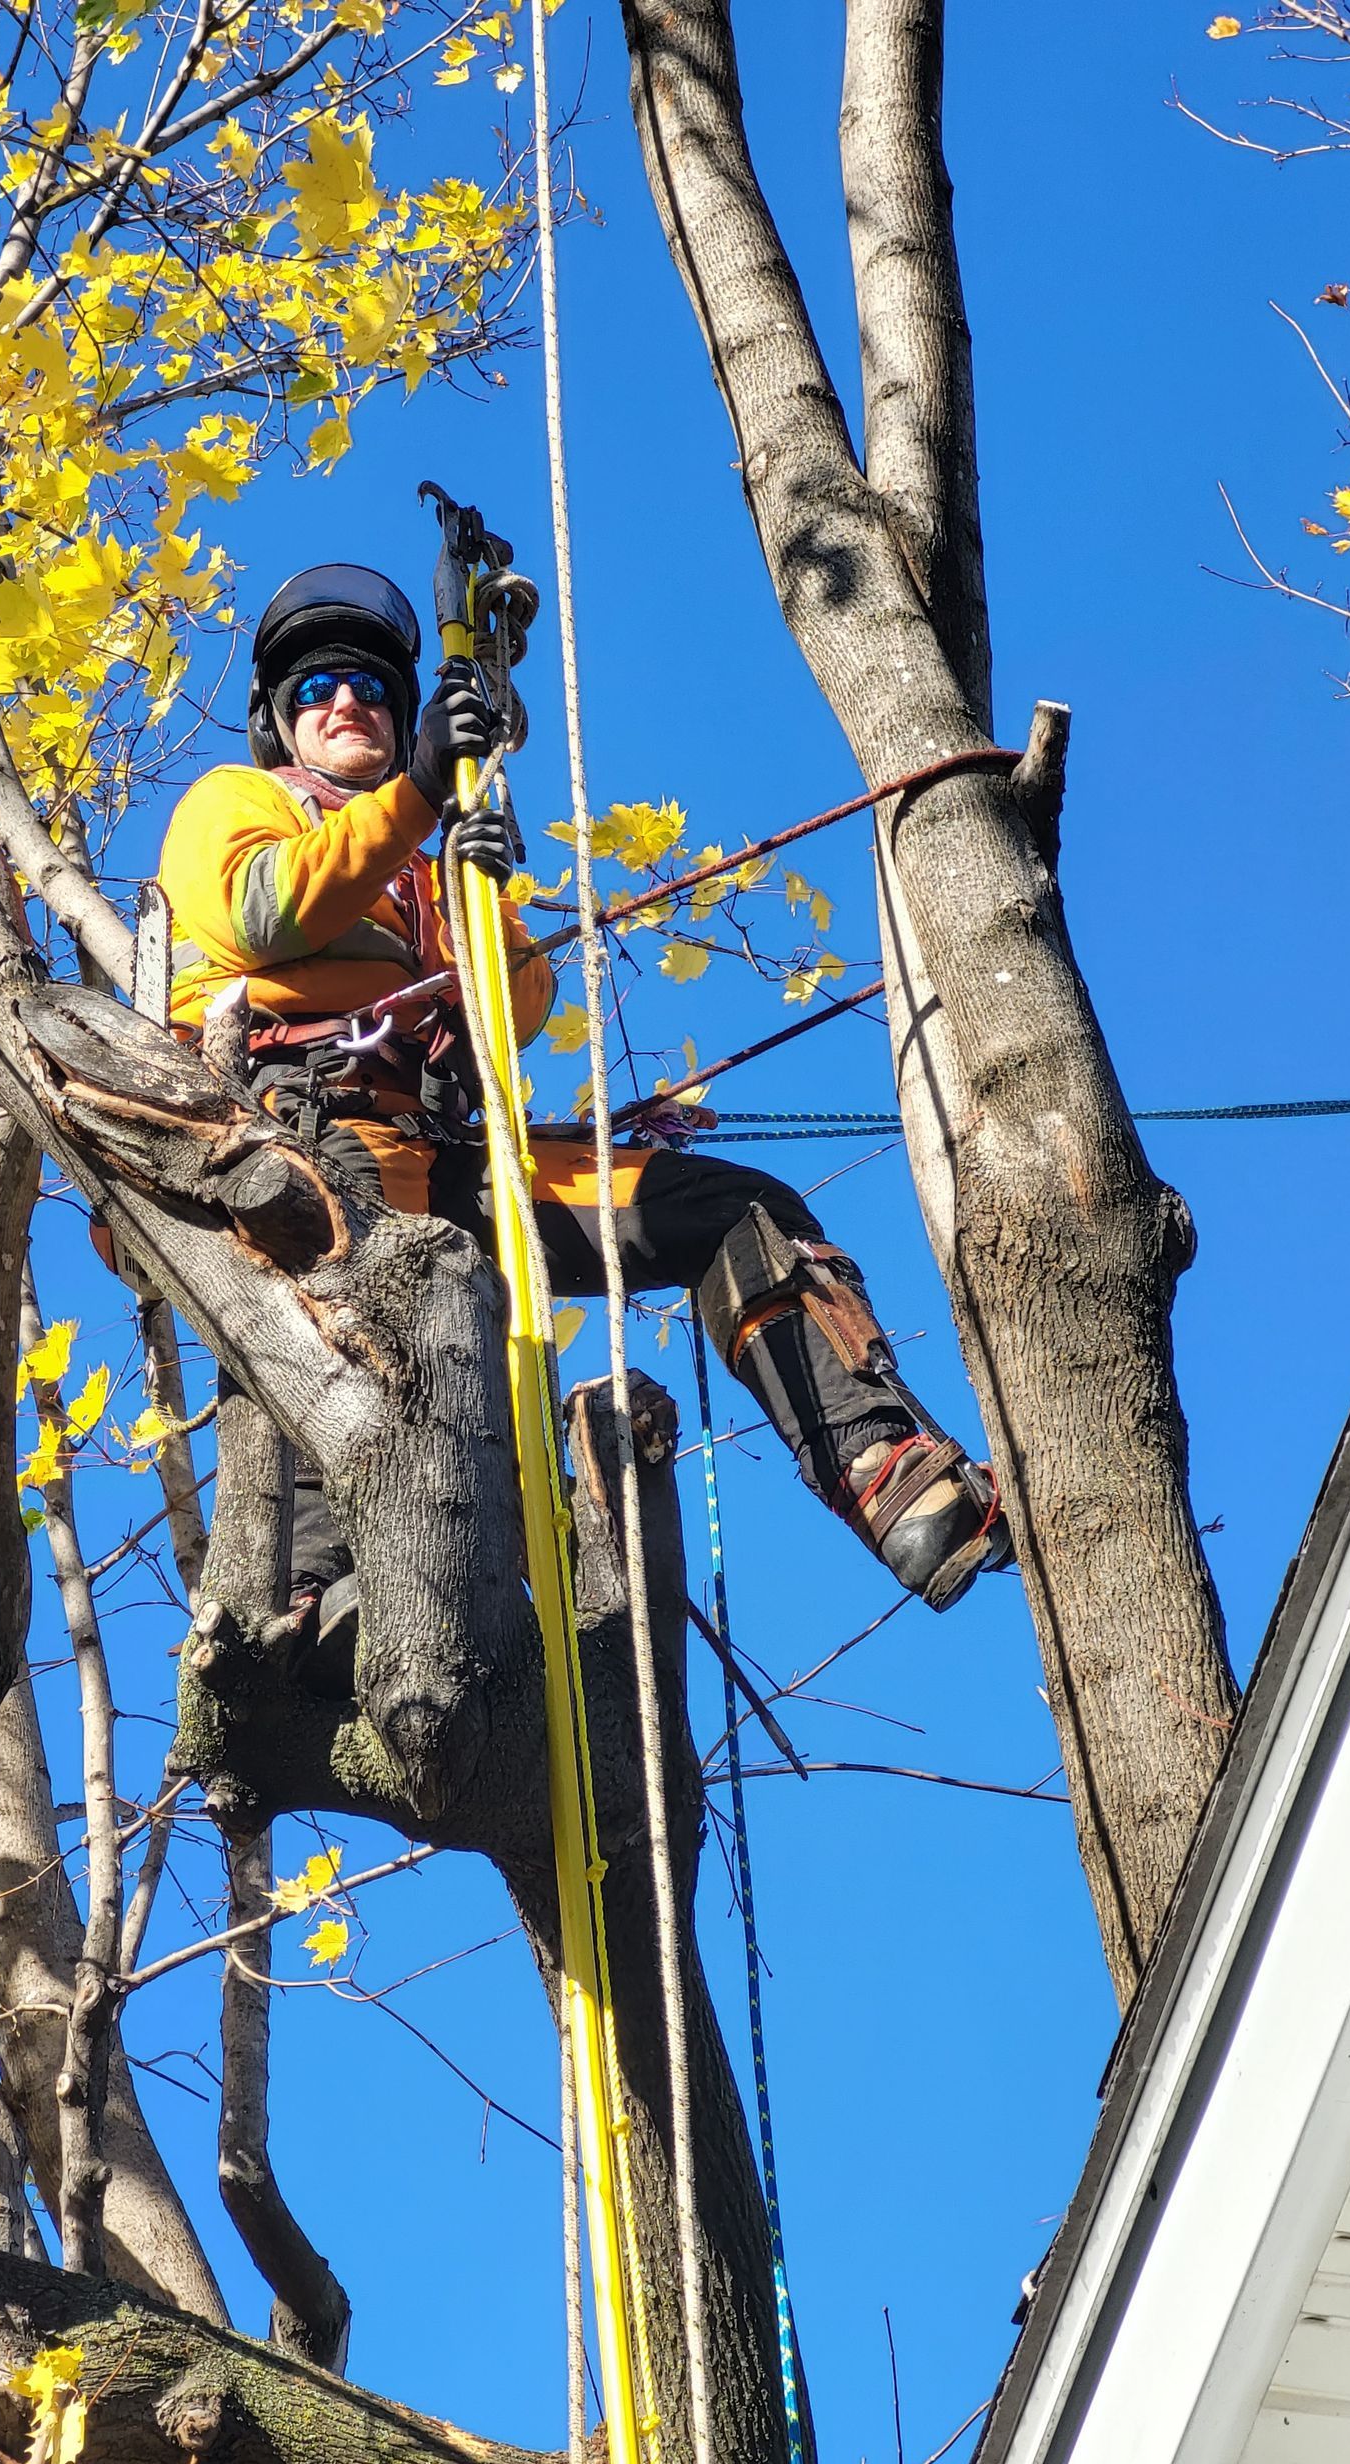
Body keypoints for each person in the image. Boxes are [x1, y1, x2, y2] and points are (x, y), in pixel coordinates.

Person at [148, 562, 1010, 1682]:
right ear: (279, 720)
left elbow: (516, 1017)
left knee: (730, 1210)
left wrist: (477, 900)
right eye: (317, 687)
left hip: (448, 1153)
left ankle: (884, 1466)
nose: (345, 699)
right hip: (305, 1140)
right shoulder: (238, 802)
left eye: (368, 683)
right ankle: (318, 1602)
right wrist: (415, 798)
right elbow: (265, 918)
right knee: (362, 1337)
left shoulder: (419, 859)